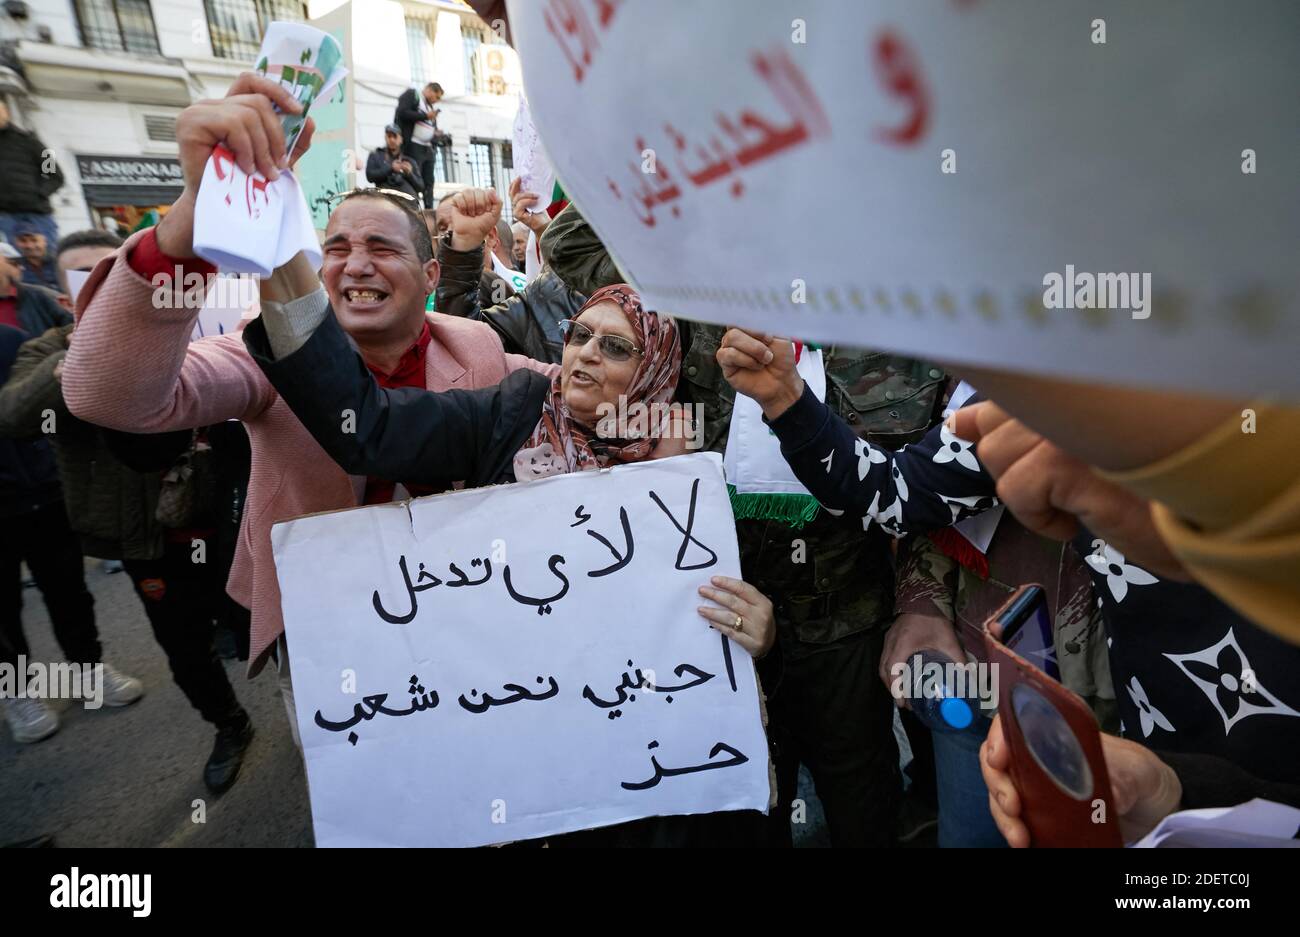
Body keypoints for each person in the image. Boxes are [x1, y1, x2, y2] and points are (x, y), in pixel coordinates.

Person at [61, 74, 553, 715]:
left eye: (381, 248)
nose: (355, 264)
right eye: (337, 248)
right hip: (327, 633)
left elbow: (577, 395)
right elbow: (109, 397)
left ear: (431, 275)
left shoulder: (477, 348)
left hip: (467, 615)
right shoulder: (267, 357)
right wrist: (190, 218)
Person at [542, 203, 951, 847]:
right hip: (712, 619)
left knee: (861, 804)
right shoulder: (694, 287)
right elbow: (568, 243)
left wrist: (918, 604)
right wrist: (682, 166)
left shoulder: (901, 316)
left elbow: (927, 489)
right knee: (740, 807)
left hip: (845, 622)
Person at [0, 230, 253, 789]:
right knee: (184, 650)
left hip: (227, 521)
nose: (103, 288)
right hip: (149, 539)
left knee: (259, 627)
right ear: (66, 297)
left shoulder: (189, 327)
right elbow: (14, 414)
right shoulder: (49, 350)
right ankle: (229, 725)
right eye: (85, 280)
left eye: (114, 274)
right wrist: (79, 364)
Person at [0, 322, 144, 743]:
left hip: (44, 491)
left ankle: (86, 670)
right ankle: (17, 693)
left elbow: (40, 403)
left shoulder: (11, 340)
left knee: (69, 593)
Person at [436, 184, 584, 362]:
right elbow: (466, 344)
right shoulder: (548, 294)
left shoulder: (500, 282)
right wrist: (463, 246)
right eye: (443, 229)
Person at [0, 100, 64, 248]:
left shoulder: (30, 140)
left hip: (38, 213)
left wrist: (38, 194)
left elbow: (55, 175)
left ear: (7, 113)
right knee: (15, 264)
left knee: (50, 257)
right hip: (6, 217)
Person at [394, 82, 444, 208]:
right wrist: (425, 116)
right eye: (436, 97)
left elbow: (429, 125)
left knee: (429, 181)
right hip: (414, 146)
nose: (436, 100)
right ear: (429, 90)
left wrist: (436, 132)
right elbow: (402, 112)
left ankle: (428, 209)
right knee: (414, 178)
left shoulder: (430, 107)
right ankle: (413, 208)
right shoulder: (413, 95)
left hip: (428, 148)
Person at [0, 243, 67, 336]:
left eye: (18, 263)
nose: (21, 268)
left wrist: (51, 341)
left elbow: (74, 324)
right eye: (13, 263)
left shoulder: (41, 296)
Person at [365, 125, 423, 202]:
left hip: (408, 204)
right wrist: (391, 168)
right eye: (389, 136)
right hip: (384, 201)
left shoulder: (409, 160)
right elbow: (370, 176)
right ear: (385, 138)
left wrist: (409, 174)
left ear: (401, 139)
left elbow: (421, 187)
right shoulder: (376, 155)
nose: (392, 140)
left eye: (395, 136)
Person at [14, 226, 59, 292]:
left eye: (34, 240)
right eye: (23, 241)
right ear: (16, 243)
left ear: (45, 241)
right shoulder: (14, 266)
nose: (29, 246)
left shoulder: (60, 263)